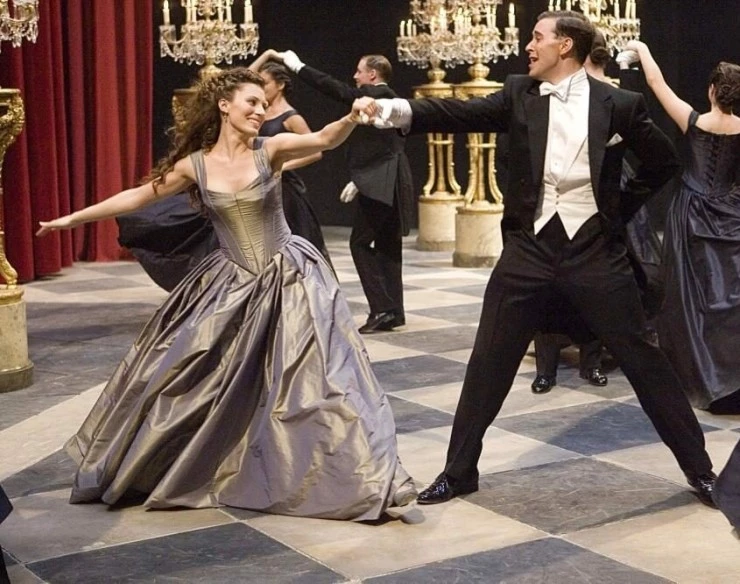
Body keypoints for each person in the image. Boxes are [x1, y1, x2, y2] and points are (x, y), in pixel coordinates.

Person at [366, 10, 717, 507]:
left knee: (643, 359)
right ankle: (459, 471)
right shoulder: (519, 93)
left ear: (565, 45)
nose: (528, 46)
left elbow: (663, 162)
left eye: (537, 37)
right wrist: (394, 109)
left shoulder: (620, 103)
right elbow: (458, 114)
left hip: (595, 251)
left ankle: (701, 471)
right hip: (529, 251)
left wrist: (615, 210)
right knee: (489, 359)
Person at [36, 67, 415, 521]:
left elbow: (324, 140)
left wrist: (351, 117)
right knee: (192, 373)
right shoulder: (193, 166)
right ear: (223, 105)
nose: (260, 110)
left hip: (288, 277)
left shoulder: (270, 149)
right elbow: (137, 197)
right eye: (251, 103)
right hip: (231, 281)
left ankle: (348, 475)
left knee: (314, 381)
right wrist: (73, 219)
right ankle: (206, 462)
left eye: (263, 104)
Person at [620, 42, 740, 414]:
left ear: (711, 91)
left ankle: (698, 374)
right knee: (729, 294)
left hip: (690, 210)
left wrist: (641, 49)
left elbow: (656, 83)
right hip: (731, 212)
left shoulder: (694, 121)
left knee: (689, 297)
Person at [275, 50, 414, 334]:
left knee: (359, 243)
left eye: (359, 71)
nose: (355, 76)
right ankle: (394, 311)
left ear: (372, 75)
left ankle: (382, 309)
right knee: (388, 246)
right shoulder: (391, 98)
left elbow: (332, 87)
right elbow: (387, 144)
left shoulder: (374, 96)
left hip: (380, 181)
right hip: (391, 179)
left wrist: (298, 66)